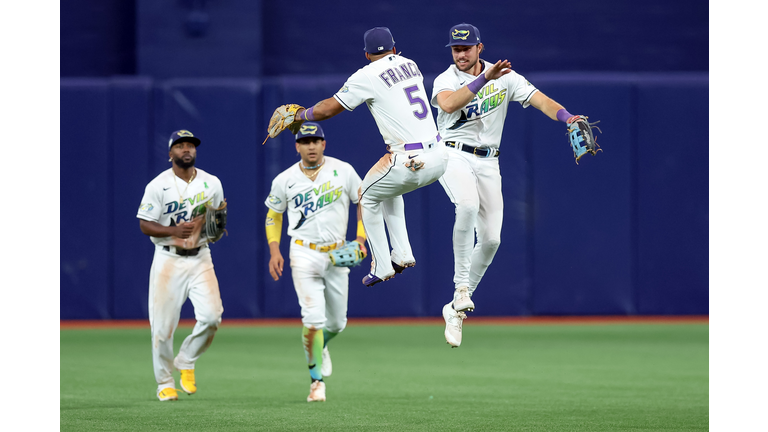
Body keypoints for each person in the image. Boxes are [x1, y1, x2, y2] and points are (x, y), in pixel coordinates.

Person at [432, 23, 592, 348]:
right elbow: (448, 105)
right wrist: (484, 80)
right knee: (465, 205)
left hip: (489, 161)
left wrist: (568, 117)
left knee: (491, 240)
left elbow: (540, 100)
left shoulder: (505, 76)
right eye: (455, 49)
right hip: (451, 154)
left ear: (480, 48)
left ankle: (455, 310)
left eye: (466, 48)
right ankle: (461, 289)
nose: (460, 54)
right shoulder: (446, 79)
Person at [271, 26, 448, 287]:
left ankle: (382, 265)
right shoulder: (410, 64)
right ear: (395, 48)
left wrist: (299, 115)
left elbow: (326, 110)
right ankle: (403, 253)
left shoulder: (366, 75)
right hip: (440, 157)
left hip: (411, 160)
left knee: (365, 194)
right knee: (387, 189)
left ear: (366, 54)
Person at [265, 122, 367, 402]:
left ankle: (320, 346)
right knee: (312, 321)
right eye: (305, 141)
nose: (311, 146)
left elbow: (365, 202)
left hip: (337, 253)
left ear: (324, 144)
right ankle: (316, 382)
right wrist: (275, 250)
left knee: (336, 324)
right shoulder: (284, 179)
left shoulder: (343, 170)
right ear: (297, 146)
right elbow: (273, 215)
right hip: (303, 252)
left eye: (316, 140)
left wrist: (360, 239)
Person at [136, 130, 226, 400]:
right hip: (168, 258)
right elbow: (144, 224)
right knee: (162, 328)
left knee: (212, 316)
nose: (186, 149)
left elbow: (218, 219)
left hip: (200, 256)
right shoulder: (158, 185)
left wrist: (216, 227)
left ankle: (186, 359)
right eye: (180, 146)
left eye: (190, 145)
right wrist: (172, 231)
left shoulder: (211, 182)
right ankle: (164, 382)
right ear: (170, 153)